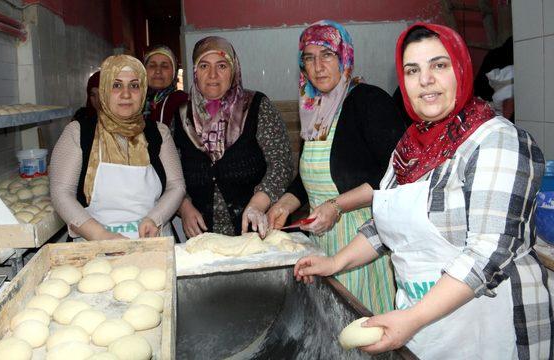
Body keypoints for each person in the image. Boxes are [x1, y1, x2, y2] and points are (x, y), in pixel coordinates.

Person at [294, 23, 552, 359]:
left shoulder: (497, 141)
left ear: (460, 69)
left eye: (439, 65)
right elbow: (384, 224)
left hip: (487, 329)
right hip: (428, 331)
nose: (425, 80)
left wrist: (413, 318)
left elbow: (488, 253)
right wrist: (334, 262)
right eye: (412, 70)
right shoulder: (411, 146)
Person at [265, 20, 405, 314]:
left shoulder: (368, 101)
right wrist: (285, 205)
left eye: (327, 55)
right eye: (309, 58)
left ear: (344, 57)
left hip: (364, 240)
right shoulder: (314, 110)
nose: (318, 66)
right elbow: (310, 177)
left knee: (361, 321)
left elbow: (395, 175)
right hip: (321, 238)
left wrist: (337, 206)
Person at [50, 55, 185, 240]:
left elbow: (176, 186)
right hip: (94, 246)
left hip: (152, 242)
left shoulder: (158, 133)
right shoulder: (79, 133)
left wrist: (154, 219)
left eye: (134, 85)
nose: (126, 94)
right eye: (117, 85)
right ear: (104, 89)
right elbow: (61, 193)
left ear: (143, 90)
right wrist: (102, 236)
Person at [174, 36, 293, 238]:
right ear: (194, 72)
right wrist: (184, 207)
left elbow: (281, 164)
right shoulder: (182, 117)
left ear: (234, 69)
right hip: (204, 236)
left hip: (258, 229)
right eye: (204, 66)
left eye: (221, 66)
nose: (213, 74)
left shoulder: (256, 106)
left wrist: (258, 204)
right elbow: (171, 175)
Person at [143, 45, 188, 126]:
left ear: (174, 73)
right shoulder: (133, 102)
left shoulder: (182, 102)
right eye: (152, 66)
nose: (158, 71)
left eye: (164, 66)